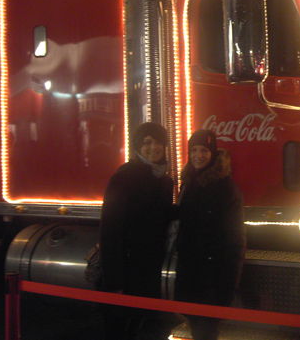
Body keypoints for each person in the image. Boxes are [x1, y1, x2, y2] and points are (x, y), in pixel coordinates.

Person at [100, 122, 175, 340]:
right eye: (147, 143)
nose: (154, 147)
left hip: (150, 266)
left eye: (159, 142)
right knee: (123, 327)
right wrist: (114, 280)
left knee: (145, 325)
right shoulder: (124, 177)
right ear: (137, 147)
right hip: (127, 266)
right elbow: (110, 230)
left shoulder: (164, 180)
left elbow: (161, 215)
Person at [174, 129, 245, 340]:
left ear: (213, 153)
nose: (198, 155)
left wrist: (229, 283)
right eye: (194, 150)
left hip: (213, 277)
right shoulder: (189, 182)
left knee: (206, 331)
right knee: (198, 328)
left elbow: (235, 239)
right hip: (190, 272)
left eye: (203, 150)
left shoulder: (226, 189)